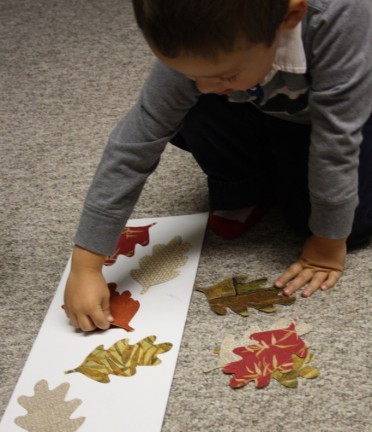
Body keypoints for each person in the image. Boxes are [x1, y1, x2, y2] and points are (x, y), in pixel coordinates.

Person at [63, 0, 372, 332]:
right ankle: (249, 184)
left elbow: (336, 143)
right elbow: (136, 142)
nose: (205, 87)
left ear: (290, 17)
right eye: (190, 75)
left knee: (344, 227)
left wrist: (325, 244)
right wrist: (85, 266)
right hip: (266, 101)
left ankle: (280, 167)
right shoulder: (198, 34)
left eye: (224, 74)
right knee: (190, 103)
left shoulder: (339, 17)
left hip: (348, 114)